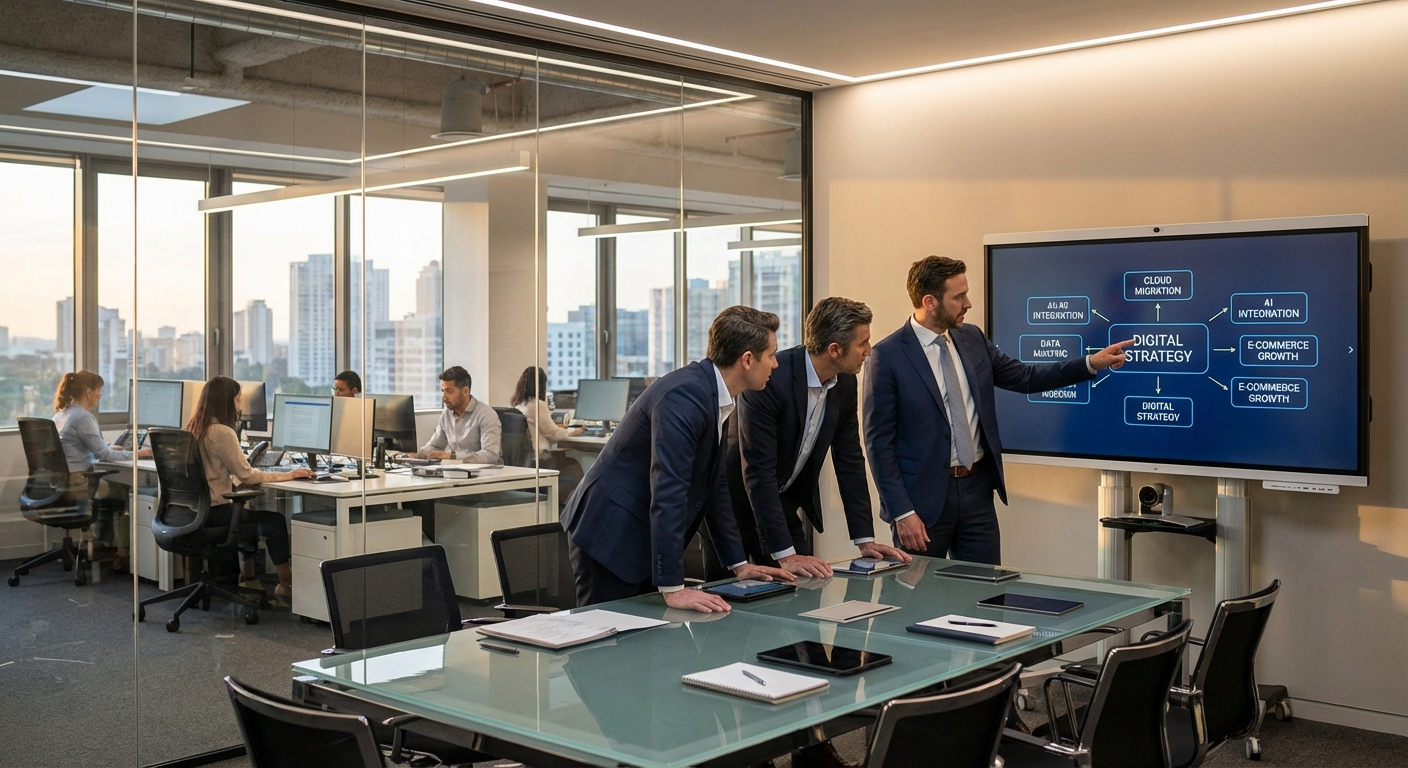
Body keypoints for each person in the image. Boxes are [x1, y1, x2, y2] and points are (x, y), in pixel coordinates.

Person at [863, 256, 1133, 564]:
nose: (968, 303)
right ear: (930, 302)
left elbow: (1025, 377)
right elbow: (878, 444)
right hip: (922, 503)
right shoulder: (887, 356)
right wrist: (901, 512)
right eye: (959, 296)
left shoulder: (972, 337)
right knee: (916, 599)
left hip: (977, 489)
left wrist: (1090, 363)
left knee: (985, 594)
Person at [560, 305, 795, 613]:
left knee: (644, 646)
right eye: (772, 355)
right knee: (601, 645)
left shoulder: (713, 394)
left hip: (639, 533)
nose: (776, 364)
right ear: (747, 360)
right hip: (611, 535)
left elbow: (715, 485)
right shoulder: (687, 395)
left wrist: (739, 564)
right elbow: (669, 488)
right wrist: (673, 586)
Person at [725, 297, 910, 579]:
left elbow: (850, 460)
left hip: (782, 504)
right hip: (734, 505)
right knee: (730, 602)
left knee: (801, 587)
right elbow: (757, 470)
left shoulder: (845, 382)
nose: (869, 352)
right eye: (863, 343)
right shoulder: (770, 378)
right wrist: (785, 556)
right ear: (834, 349)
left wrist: (864, 539)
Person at [187, 376, 313, 600]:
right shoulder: (222, 433)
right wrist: (290, 474)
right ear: (226, 402)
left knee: (248, 513)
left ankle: (250, 580)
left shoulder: (193, 427)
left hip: (194, 513)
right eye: (237, 400)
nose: (240, 406)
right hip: (215, 514)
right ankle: (286, 586)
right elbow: (247, 474)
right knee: (272, 521)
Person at [52, 370, 152, 572]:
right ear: (89, 391)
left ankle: (99, 546)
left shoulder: (62, 414)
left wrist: (108, 448)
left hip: (62, 481)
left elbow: (87, 451)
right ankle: (122, 552)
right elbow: (106, 457)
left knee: (115, 487)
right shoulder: (83, 417)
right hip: (79, 482)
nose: (100, 395)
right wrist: (141, 454)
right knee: (127, 492)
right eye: (98, 391)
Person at [510, 366, 586, 496]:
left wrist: (559, 429)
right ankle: (569, 507)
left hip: (526, 461)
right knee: (575, 466)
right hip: (541, 460)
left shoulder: (517, 404)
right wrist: (571, 432)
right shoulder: (537, 405)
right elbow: (553, 435)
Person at [416, 366, 502, 464]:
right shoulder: (447, 413)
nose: (443, 397)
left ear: (465, 391)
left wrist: (452, 456)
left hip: (485, 474)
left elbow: (490, 455)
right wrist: (412, 455)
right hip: (455, 472)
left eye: (449, 391)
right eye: (442, 391)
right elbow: (434, 446)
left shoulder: (486, 414)